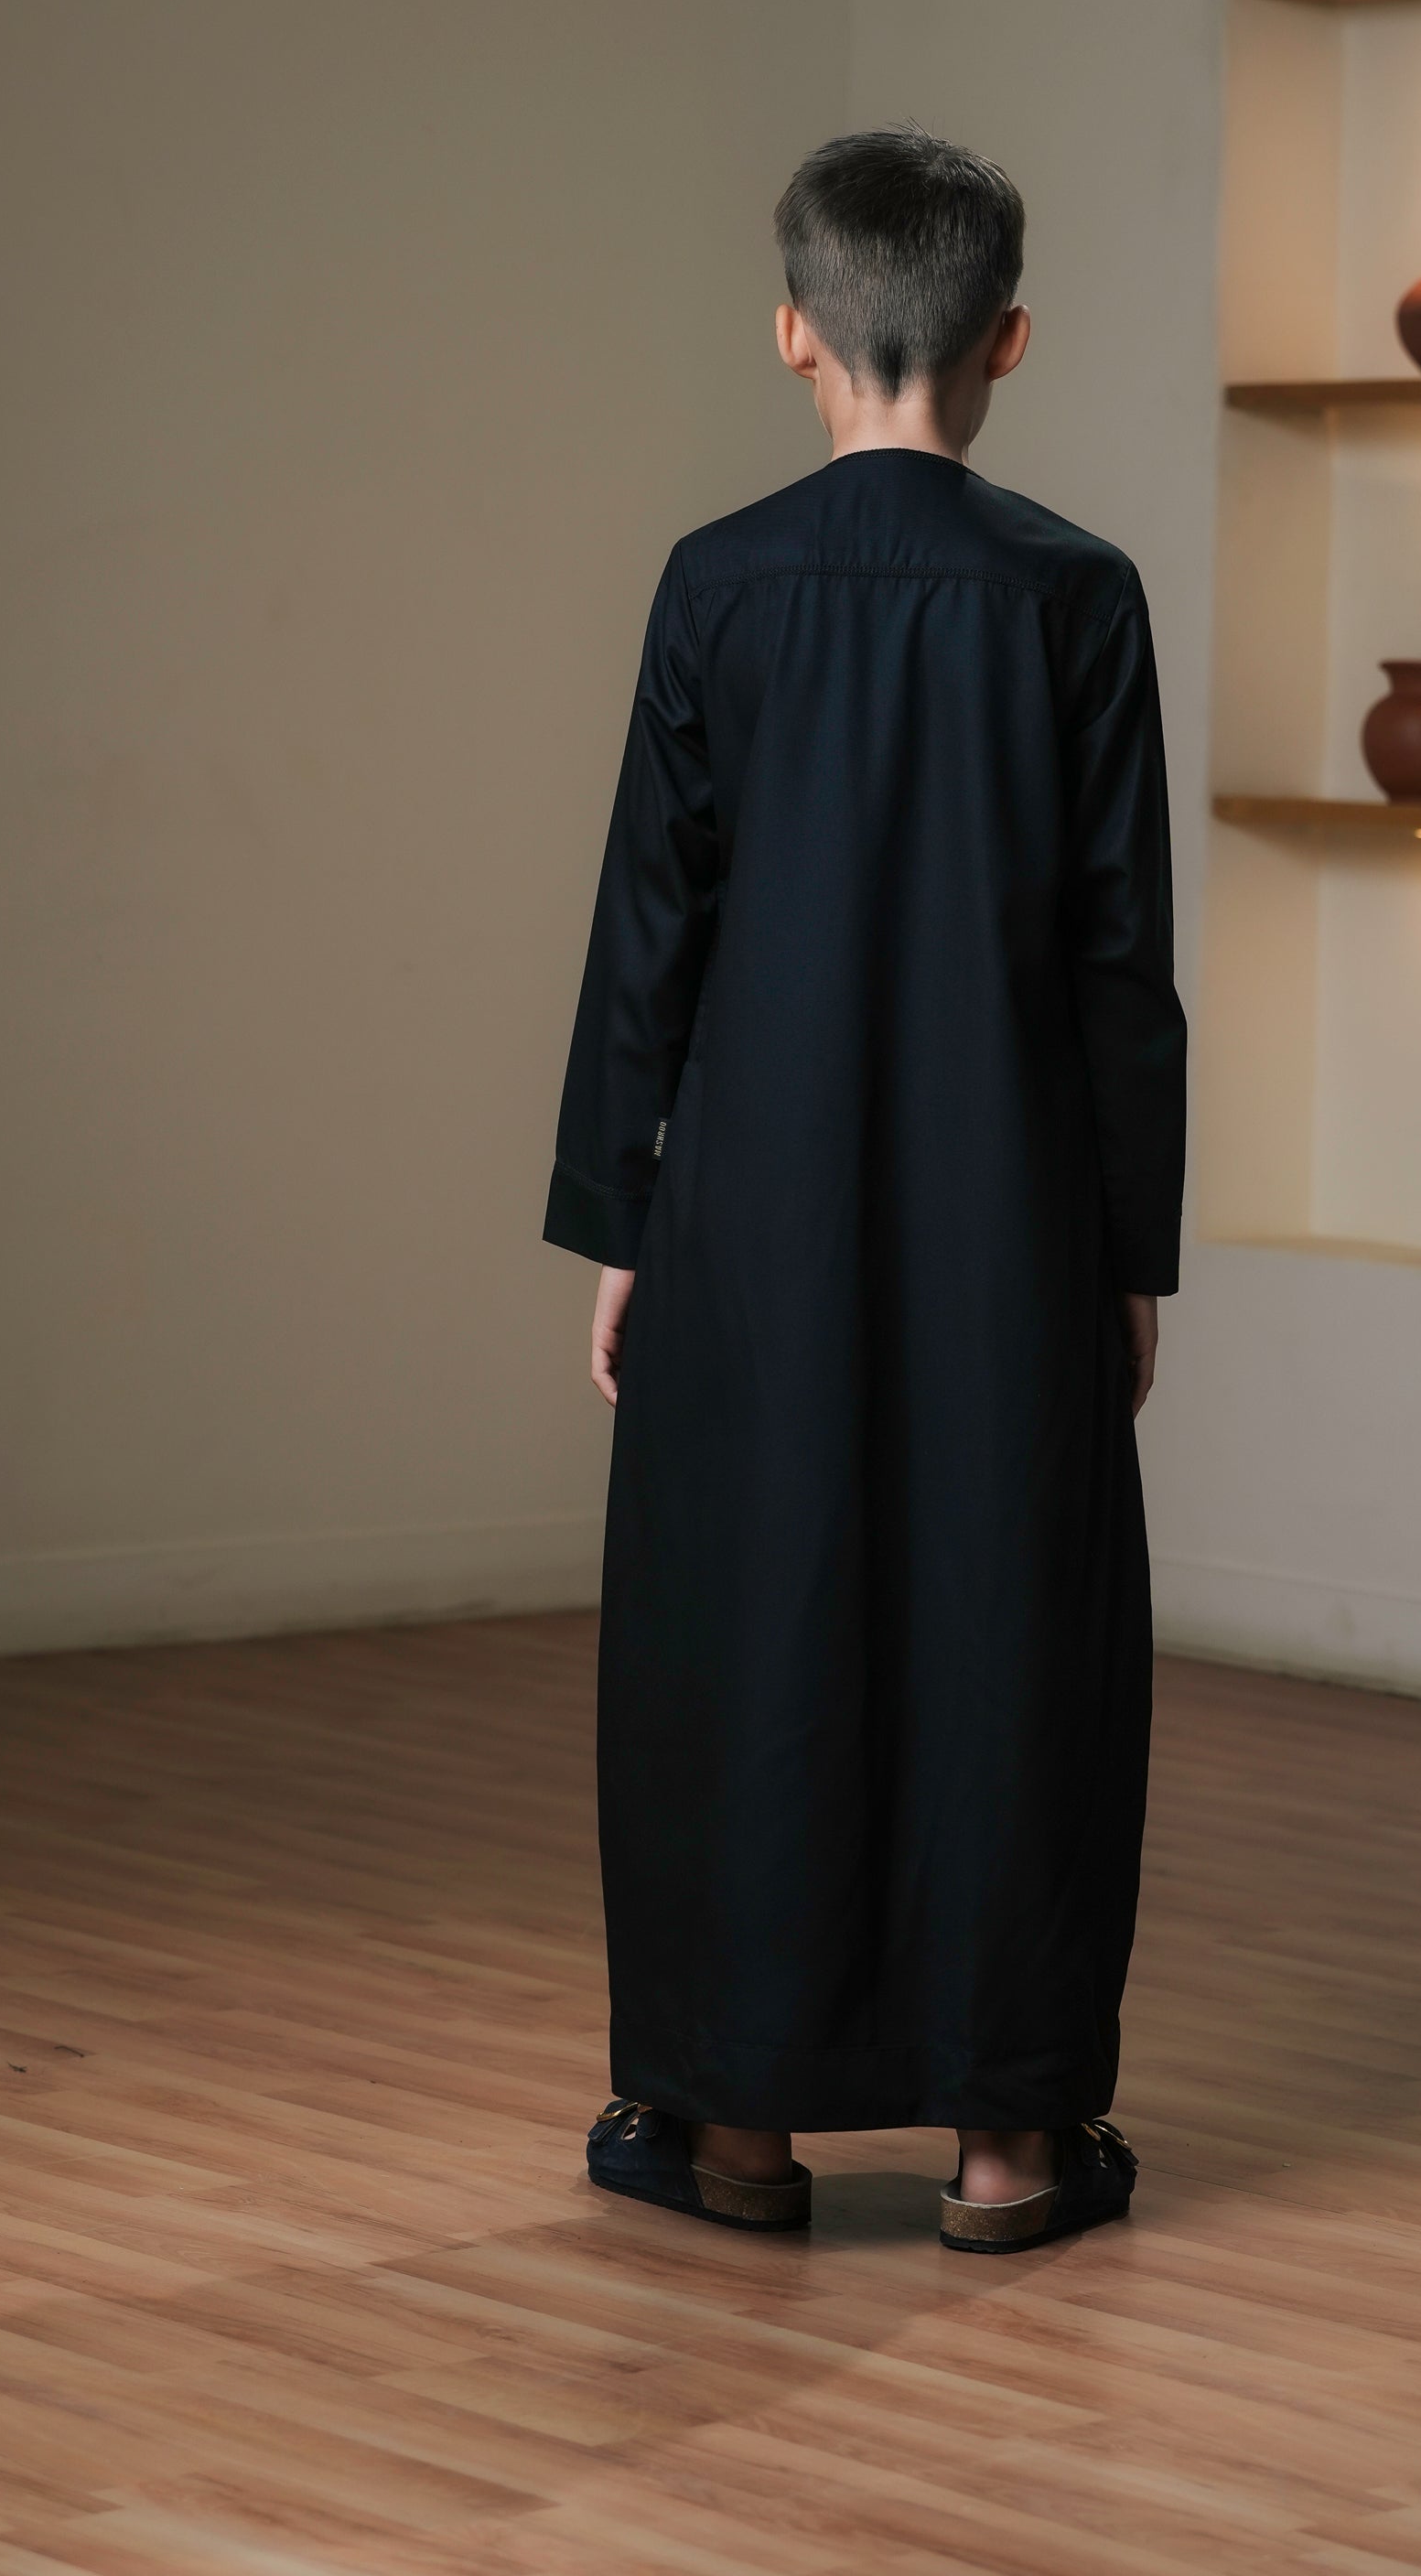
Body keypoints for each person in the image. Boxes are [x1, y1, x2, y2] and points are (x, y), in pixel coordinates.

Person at [544, 126, 1185, 2253]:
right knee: (1015, 1624)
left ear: (793, 332)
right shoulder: (1076, 593)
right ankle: (1011, 2149)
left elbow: (650, 934)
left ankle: (738, 2132)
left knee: (749, 1616)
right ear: (1012, 338)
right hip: (1017, 1213)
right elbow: (1118, 961)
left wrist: (622, 1220)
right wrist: (1131, 1250)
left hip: (750, 1213)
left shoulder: (714, 582)